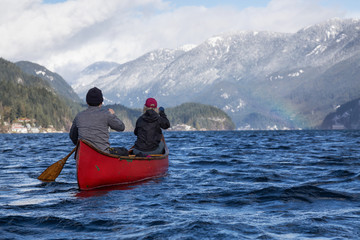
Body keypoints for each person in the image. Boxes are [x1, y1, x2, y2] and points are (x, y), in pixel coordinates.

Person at [69, 87, 126, 154]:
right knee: (124, 151)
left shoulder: (79, 116)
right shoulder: (107, 114)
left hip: (84, 153)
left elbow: (72, 136)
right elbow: (121, 127)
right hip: (102, 153)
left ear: (87, 102)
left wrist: (80, 146)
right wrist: (113, 115)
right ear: (101, 103)